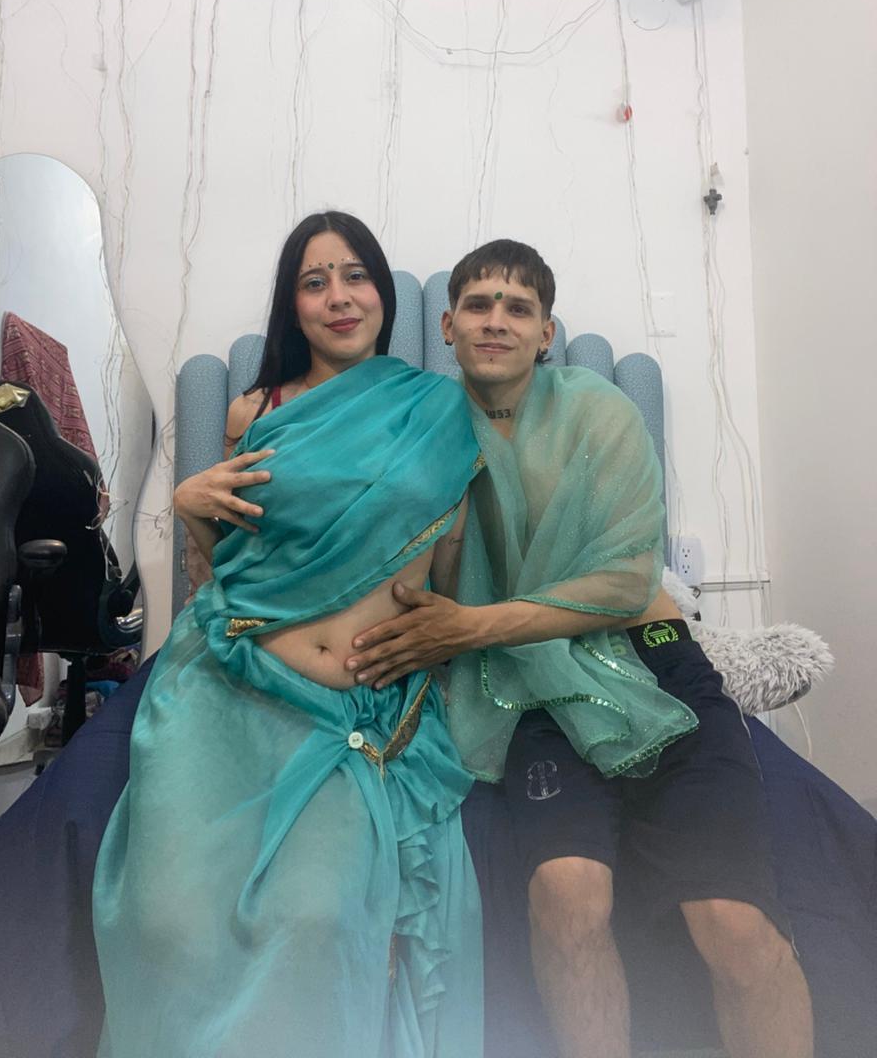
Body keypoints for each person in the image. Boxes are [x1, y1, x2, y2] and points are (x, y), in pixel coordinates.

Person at [345, 239, 814, 1058]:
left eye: (518, 308)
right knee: (567, 897)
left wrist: (471, 628)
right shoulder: (424, 430)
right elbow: (413, 566)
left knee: (733, 922)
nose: (496, 321)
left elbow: (627, 581)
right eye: (478, 305)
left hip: (652, 662)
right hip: (528, 689)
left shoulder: (599, 409)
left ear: (546, 333)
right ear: (448, 327)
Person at [92, 212, 484, 1058]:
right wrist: (189, 507)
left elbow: (457, 562)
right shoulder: (255, 409)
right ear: (292, 305)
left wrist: (450, 638)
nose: (339, 297)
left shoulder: (438, 408)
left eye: (355, 275)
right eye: (315, 282)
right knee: (167, 919)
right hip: (227, 684)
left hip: (353, 709)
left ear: (382, 293)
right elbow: (224, 572)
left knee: (315, 917)